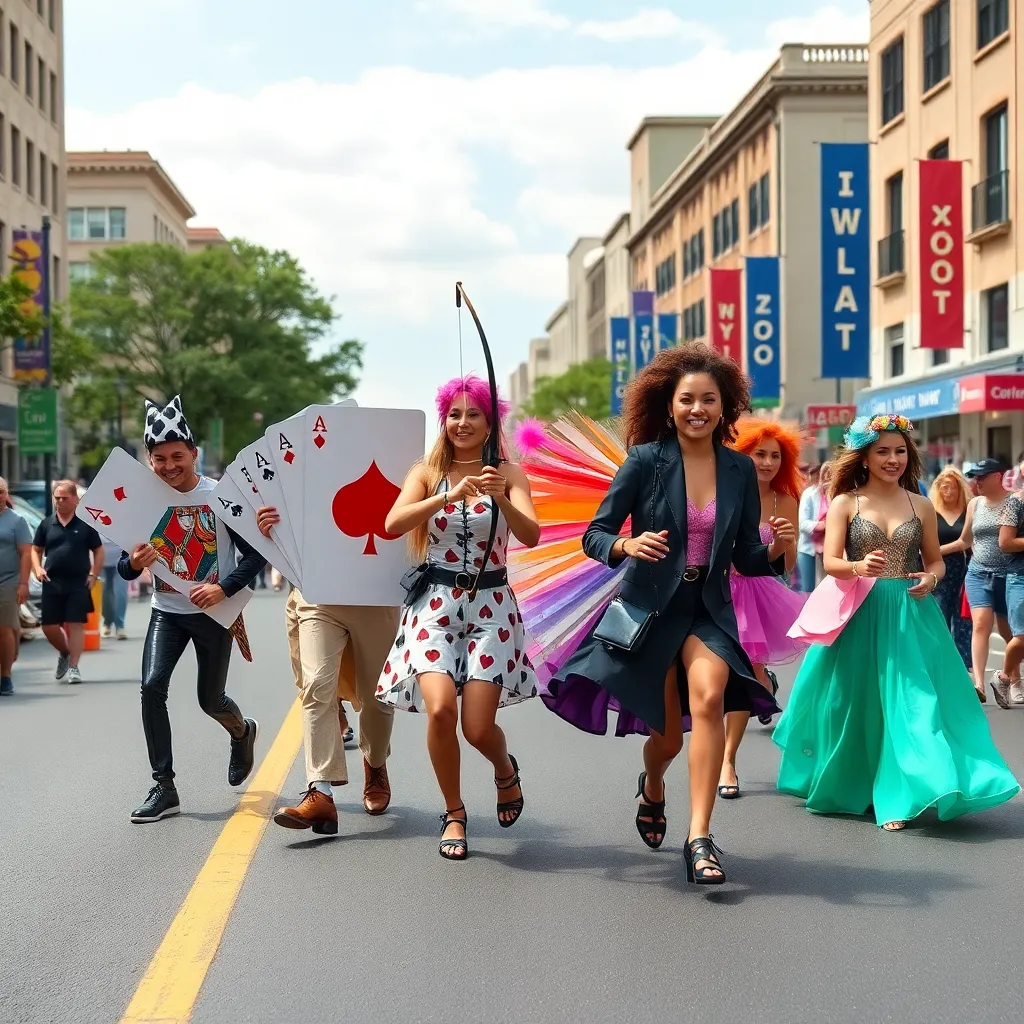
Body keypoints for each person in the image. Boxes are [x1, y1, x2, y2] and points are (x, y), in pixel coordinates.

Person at [541, 345, 792, 885]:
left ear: (726, 408)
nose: (697, 409)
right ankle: (652, 781)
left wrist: (773, 549)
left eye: (709, 400)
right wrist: (625, 547)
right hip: (649, 610)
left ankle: (699, 836)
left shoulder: (740, 469)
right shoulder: (645, 461)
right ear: (669, 404)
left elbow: (747, 556)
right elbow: (595, 535)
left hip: (708, 609)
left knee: (709, 697)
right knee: (669, 741)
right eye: (687, 400)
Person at [774, 415, 1019, 830]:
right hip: (858, 612)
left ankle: (900, 792)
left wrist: (931, 577)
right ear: (865, 457)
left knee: (913, 704)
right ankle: (856, 783)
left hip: (910, 613)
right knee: (853, 704)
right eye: (883, 451)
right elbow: (831, 562)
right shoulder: (845, 503)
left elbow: (936, 561)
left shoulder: (918, 504)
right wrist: (856, 564)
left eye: (900, 451)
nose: (893, 459)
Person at [379, 375, 540, 860]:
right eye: (454, 414)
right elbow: (392, 524)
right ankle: (454, 812)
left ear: (490, 423)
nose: (463, 423)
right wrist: (447, 496)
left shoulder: (510, 474)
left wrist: (501, 499)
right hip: (435, 604)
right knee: (441, 708)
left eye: (474, 414)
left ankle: (503, 769)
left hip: (492, 607)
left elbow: (531, 536)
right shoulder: (426, 473)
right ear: (443, 420)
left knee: (476, 727)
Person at [117, 396, 265, 823]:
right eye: (159, 458)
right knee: (151, 686)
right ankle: (164, 787)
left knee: (209, 699)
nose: (168, 466)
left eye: (177, 456)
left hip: (214, 614)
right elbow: (127, 566)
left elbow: (255, 557)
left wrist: (221, 589)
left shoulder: (220, 495)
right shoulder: (143, 499)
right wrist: (135, 562)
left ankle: (241, 730)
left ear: (194, 454)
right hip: (166, 610)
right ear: (149, 458)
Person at [254, 524, 399, 836]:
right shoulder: (295, 472)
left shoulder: (402, 472)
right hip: (317, 592)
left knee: (378, 697)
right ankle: (321, 792)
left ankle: (374, 762)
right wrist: (270, 529)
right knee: (317, 687)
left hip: (374, 592)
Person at [718, 419, 805, 798]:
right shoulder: (720, 490)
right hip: (715, 591)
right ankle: (764, 681)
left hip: (758, 594)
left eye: (775, 456)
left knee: (742, 677)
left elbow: (785, 568)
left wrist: (785, 542)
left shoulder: (785, 501)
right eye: (760, 454)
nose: (767, 462)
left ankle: (727, 760)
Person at [31, 480, 104, 685]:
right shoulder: (47, 524)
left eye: (64, 498)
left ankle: (73, 667)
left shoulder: (85, 525)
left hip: (78, 582)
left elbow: (98, 550)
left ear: (75, 500)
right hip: (52, 581)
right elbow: (35, 550)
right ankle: (64, 652)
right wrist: (37, 568)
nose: (60, 502)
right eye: (57, 498)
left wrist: (93, 574)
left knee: (75, 624)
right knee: (49, 626)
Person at [955, 459, 1013, 700]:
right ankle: (978, 684)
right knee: (980, 626)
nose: (975, 481)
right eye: (974, 477)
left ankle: (1012, 677)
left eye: (981, 476)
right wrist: (933, 551)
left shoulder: (1015, 502)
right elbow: (964, 541)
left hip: (1010, 575)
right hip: (978, 573)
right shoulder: (975, 504)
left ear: (998, 477)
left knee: (1011, 633)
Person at [928, 467, 973, 679]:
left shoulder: (968, 511)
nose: (948, 491)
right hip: (938, 570)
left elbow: (969, 542)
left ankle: (963, 668)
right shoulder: (930, 512)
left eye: (953, 487)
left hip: (964, 569)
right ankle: (941, 664)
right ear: (938, 489)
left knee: (964, 620)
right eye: (944, 487)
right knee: (939, 614)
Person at [992, 491, 1024, 708]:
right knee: (1021, 636)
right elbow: (1005, 542)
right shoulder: (1016, 502)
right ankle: (1004, 678)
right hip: (1020, 576)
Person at [0, 477, 32, 695]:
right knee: (9, 628)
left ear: (6, 494)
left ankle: (6, 676)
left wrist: (23, 583)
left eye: (1, 492)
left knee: (4, 628)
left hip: (8, 581)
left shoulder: (16, 521)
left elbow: (26, 554)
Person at [101, 535, 129, 640]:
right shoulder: (95, 520)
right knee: (105, 594)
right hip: (102, 563)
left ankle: (120, 626)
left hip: (121, 562)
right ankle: (107, 623)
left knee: (120, 593)